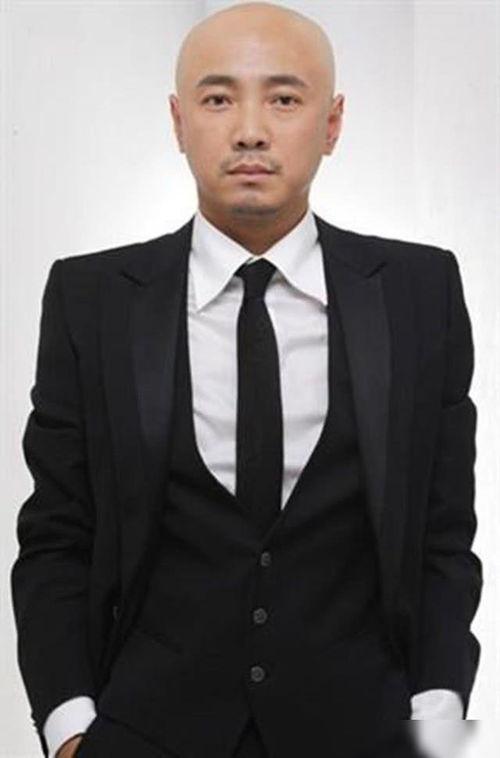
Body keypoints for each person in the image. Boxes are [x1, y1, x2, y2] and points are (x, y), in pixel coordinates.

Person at [10, 2, 482, 757]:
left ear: (332, 124)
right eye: (218, 98)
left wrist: (438, 731)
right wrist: (70, 732)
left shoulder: (418, 291)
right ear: (178, 121)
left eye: (285, 99)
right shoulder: (91, 297)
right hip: (144, 734)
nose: (251, 130)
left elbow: (443, 535)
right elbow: (56, 535)